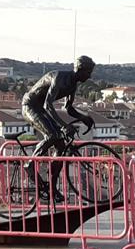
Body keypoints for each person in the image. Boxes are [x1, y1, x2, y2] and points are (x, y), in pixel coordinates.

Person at [22, 55, 96, 201]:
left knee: (61, 146)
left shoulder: (72, 85)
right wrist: (64, 126)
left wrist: (83, 117)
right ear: (80, 70)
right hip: (30, 106)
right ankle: (30, 163)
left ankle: (51, 188)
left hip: (41, 109)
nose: (90, 76)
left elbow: (68, 108)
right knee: (52, 136)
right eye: (88, 72)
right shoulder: (59, 78)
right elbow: (47, 105)